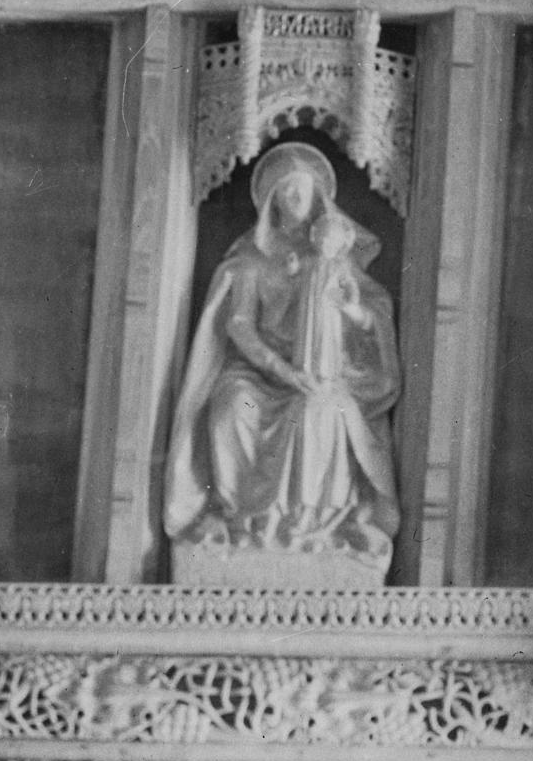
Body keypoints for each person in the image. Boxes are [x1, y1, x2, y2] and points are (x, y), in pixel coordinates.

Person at [164, 141, 400, 574]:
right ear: (271, 202)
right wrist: (282, 369)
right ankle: (243, 518)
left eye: (302, 191)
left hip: (319, 375)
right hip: (257, 377)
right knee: (231, 408)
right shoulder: (251, 259)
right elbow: (239, 328)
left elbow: (369, 314)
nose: (295, 200)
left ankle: (304, 523)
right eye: (286, 192)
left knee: (319, 410)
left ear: (317, 198)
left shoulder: (334, 258)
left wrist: (351, 312)